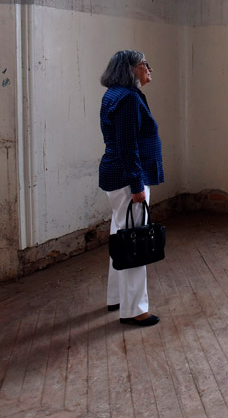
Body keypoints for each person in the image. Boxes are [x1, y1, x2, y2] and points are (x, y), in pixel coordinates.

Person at [99, 49, 164, 327]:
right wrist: (137, 183)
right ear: (131, 69)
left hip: (117, 177)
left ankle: (116, 297)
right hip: (128, 180)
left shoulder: (115, 94)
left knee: (121, 234)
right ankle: (135, 309)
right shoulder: (127, 99)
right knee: (136, 240)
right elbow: (128, 146)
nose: (149, 69)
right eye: (144, 64)